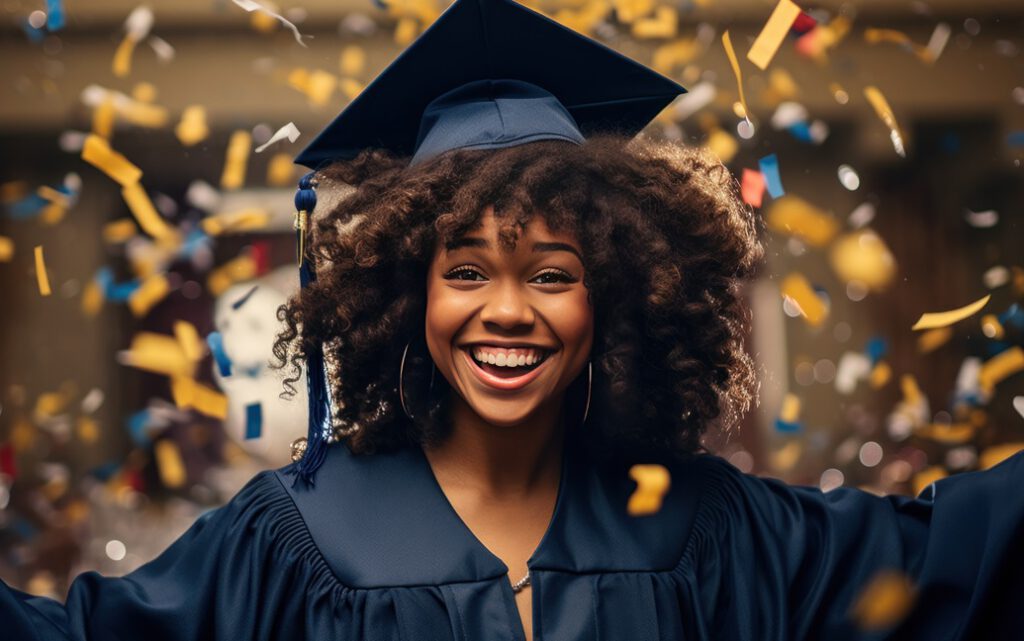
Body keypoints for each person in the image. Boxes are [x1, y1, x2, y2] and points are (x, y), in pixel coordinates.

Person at [4, 0, 1024, 639]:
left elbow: (956, 561)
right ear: (408, 297)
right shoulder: (292, 539)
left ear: (613, 298)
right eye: (465, 271)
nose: (504, 309)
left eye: (550, 273)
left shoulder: (709, 526)